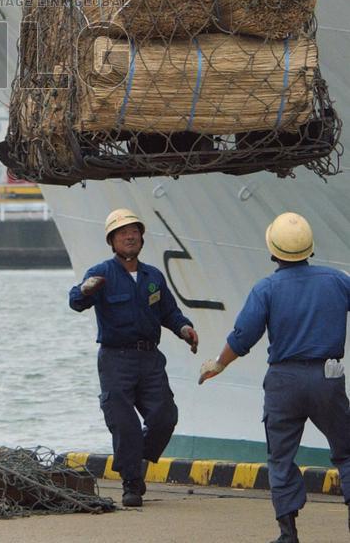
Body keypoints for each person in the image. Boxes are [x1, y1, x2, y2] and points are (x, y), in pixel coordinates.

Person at [199, 211, 350, 543]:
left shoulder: (265, 289)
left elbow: (242, 337)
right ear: (310, 248)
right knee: (346, 452)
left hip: (283, 380)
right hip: (328, 374)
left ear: (272, 250)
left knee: (280, 457)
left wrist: (218, 365)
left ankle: (288, 534)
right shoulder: (338, 280)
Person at [69, 208, 199, 508]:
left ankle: (137, 459)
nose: (130, 236)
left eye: (135, 232)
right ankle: (131, 483)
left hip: (150, 358)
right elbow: (76, 302)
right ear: (112, 241)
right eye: (123, 233)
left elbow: (169, 312)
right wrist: (84, 290)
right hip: (116, 359)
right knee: (124, 422)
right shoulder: (100, 274)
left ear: (142, 238)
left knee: (165, 416)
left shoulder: (153, 276)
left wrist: (184, 328)